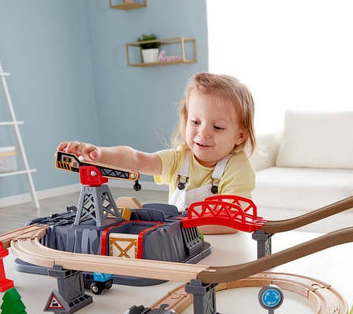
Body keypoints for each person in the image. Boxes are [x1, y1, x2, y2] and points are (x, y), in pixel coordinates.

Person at [57, 73, 256, 231]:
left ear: (240, 136)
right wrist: (99, 154)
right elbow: (136, 159)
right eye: (195, 122)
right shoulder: (179, 159)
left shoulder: (237, 169)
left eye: (218, 127)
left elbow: (230, 220)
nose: (203, 133)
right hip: (178, 243)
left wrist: (178, 225)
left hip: (222, 247)